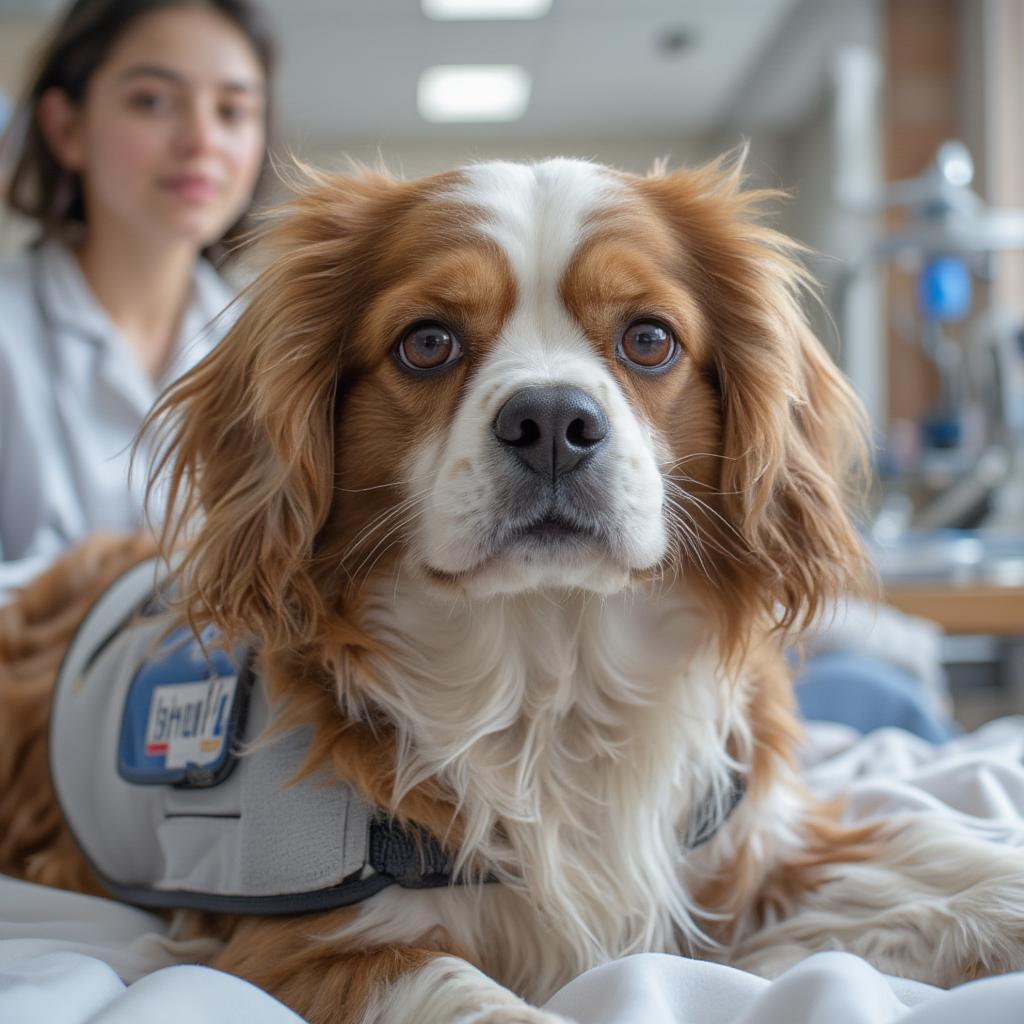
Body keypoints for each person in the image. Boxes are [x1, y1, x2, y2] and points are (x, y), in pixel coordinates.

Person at [0, 0, 273, 602]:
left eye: (232, 110)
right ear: (66, 129)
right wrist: (116, 578)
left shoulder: (271, 348)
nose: (202, 140)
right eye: (152, 100)